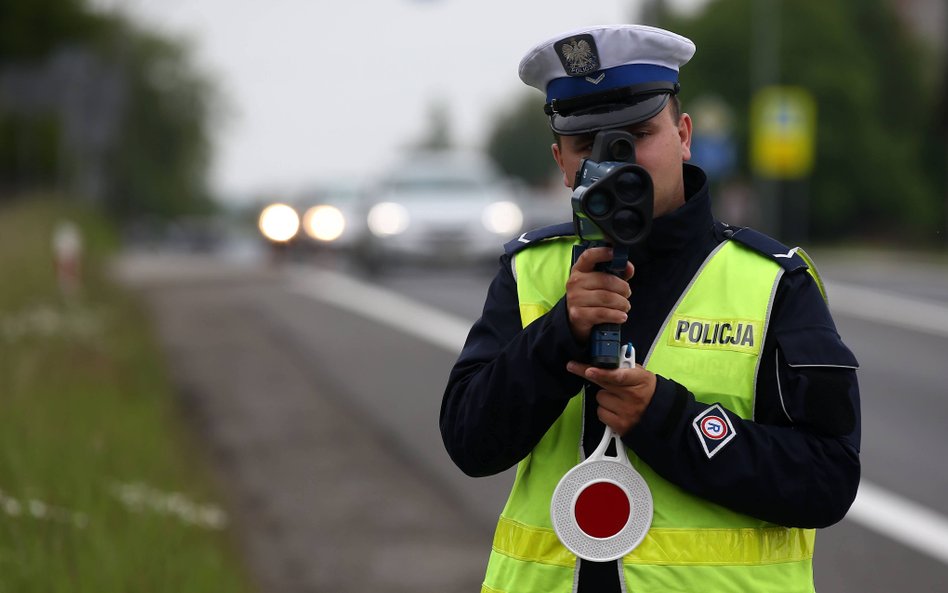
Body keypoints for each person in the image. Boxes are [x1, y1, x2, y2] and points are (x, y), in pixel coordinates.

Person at [439, 24, 860, 593]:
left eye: (639, 133)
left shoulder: (771, 281)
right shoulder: (529, 272)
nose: (621, 162)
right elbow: (470, 443)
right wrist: (559, 333)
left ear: (683, 134)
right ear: (561, 161)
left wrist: (666, 419)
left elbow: (827, 479)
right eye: (589, 146)